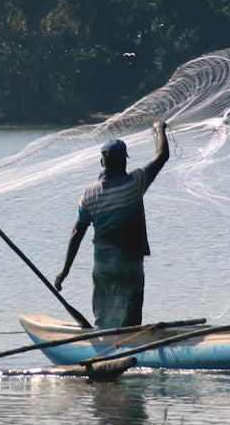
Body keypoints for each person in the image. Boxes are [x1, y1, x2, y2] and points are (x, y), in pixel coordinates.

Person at [55, 121, 169, 328]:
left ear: (102, 162)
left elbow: (76, 233)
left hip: (103, 267)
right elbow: (162, 156)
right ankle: (130, 349)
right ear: (124, 162)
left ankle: (105, 347)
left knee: (105, 316)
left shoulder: (89, 194)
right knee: (131, 316)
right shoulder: (135, 183)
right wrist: (159, 129)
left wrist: (64, 271)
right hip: (129, 266)